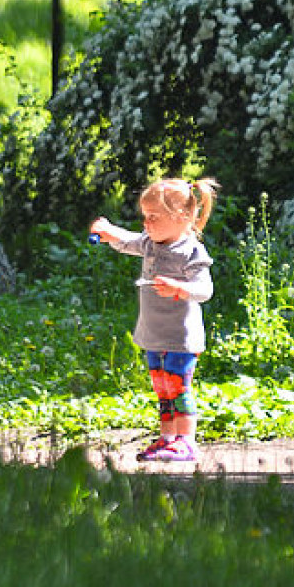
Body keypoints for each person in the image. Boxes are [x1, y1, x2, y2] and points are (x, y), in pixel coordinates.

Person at [90, 177, 220, 462]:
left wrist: (180, 289)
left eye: (153, 217)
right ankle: (167, 438)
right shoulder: (149, 243)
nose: (146, 224)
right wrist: (109, 232)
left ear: (183, 217)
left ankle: (186, 440)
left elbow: (205, 290)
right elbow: (127, 241)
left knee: (179, 387)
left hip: (180, 338)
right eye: (145, 217)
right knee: (162, 389)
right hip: (153, 335)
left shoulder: (190, 251)